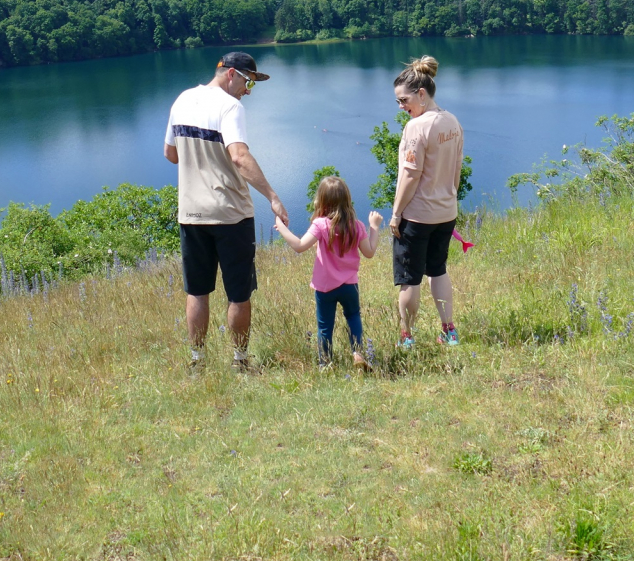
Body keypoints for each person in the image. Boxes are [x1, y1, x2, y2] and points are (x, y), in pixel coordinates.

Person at [163, 51, 289, 370]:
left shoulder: (182, 100)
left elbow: (170, 154)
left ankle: (197, 361)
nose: (248, 90)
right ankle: (240, 361)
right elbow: (239, 156)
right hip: (231, 214)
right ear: (230, 74)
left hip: (191, 214)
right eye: (248, 82)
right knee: (239, 293)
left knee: (197, 291)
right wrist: (273, 196)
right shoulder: (230, 106)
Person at [388, 56, 464, 348]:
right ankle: (449, 331)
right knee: (438, 269)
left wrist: (396, 215)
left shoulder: (416, 127)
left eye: (403, 100)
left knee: (410, 279)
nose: (401, 107)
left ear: (422, 93)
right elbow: (456, 168)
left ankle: (407, 337)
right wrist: (449, 196)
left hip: (417, 217)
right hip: (446, 213)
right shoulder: (452, 121)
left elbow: (409, 175)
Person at [274, 176, 383, 371]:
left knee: (324, 326)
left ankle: (325, 363)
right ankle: (358, 353)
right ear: (347, 199)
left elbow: (299, 246)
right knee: (353, 317)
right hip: (350, 285)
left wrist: (281, 227)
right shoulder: (357, 226)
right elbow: (370, 252)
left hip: (325, 287)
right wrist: (374, 226)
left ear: (322, 201)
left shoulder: (321, 224)